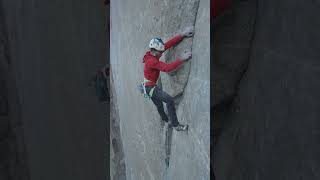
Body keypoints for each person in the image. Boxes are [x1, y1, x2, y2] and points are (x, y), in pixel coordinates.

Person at [142, 26, 194, 131]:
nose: (162, 53)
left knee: (159, 106)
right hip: (151, 88)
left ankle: (166, 120)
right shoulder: (152, 61)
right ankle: (176, 125)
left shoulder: (153, 53)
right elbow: (167, 68)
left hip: (147, 87)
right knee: (169, 100)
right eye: (160, 52)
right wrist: (181, 59)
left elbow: (167, 45)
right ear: (155, 50)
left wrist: (182, 34)